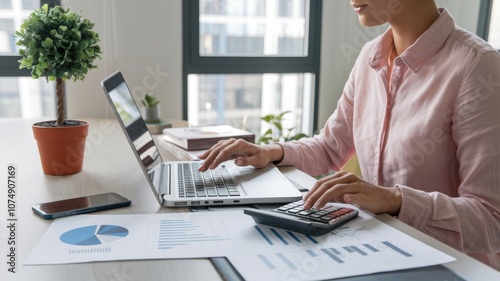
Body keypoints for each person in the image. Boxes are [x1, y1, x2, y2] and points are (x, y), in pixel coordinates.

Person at [198, 0, 500, 270]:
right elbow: (330, 148)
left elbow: (491, 219)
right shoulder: (371, 56)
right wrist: (272, 152)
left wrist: (395, 200)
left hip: (452, 268)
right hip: (381, 251)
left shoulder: (477, 65)